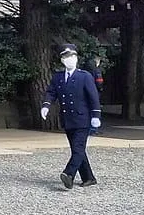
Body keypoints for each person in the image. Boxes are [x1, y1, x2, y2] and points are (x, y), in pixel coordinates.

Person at [42, 43, 102, 189]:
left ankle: (69, 174)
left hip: (83, 119)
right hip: (68, 119)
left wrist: (96, 115)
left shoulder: (85, 76)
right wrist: (46, 105)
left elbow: (93, 97)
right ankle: (89, 177)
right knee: (78, 149)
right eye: (66, 57)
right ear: (62, 60)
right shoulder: (59, 77)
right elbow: (51, 92)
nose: (70, 59)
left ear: (76, 58)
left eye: (72, 56)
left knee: (77, 149)